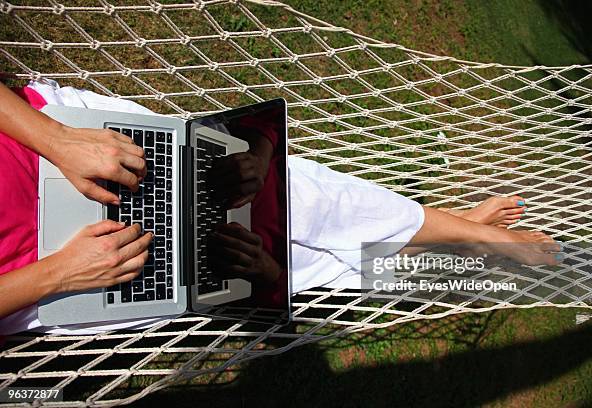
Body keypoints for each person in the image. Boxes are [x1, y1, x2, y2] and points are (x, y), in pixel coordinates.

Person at [0, 79, 560, 335]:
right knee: (309, 271)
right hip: (49, 272)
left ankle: (467, 235)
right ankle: (460, 235)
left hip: (52, 151)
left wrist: (56, 138)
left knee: (296, 200)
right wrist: (55, 275)